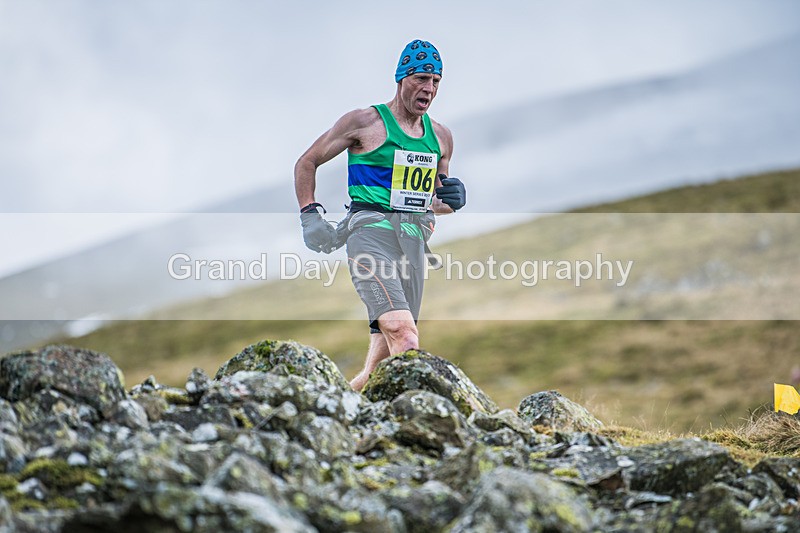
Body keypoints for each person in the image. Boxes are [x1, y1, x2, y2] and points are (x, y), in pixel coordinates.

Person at [294, 39, 466, 391]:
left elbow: (436, 201)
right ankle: (410, 423)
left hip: (413, 245)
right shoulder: (364, 122)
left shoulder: (442, 138)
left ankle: (343, 408)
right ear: (401, 78)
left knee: (382, 361)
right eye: (421, 78)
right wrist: (310, 215)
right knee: (405, 336)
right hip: (369, 237)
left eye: (436, 81)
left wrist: (454, 198)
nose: (429, 88)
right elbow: (306, 162)